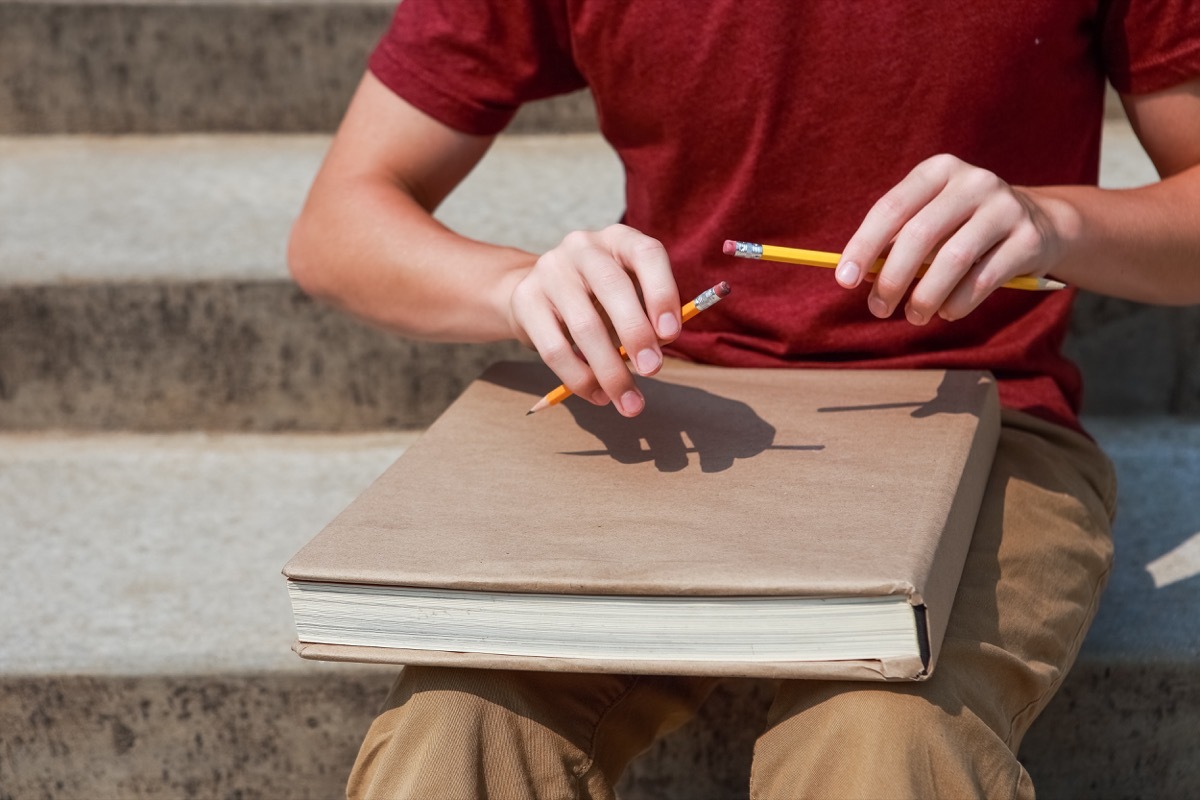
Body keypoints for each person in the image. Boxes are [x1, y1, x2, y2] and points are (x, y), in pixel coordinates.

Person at [288, 1, 1200, 797]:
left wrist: (1055, 222)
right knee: (452, 736)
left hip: (976, 416)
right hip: (662, 410)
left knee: (884, 748)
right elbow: (338, 226)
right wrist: (519, 288)